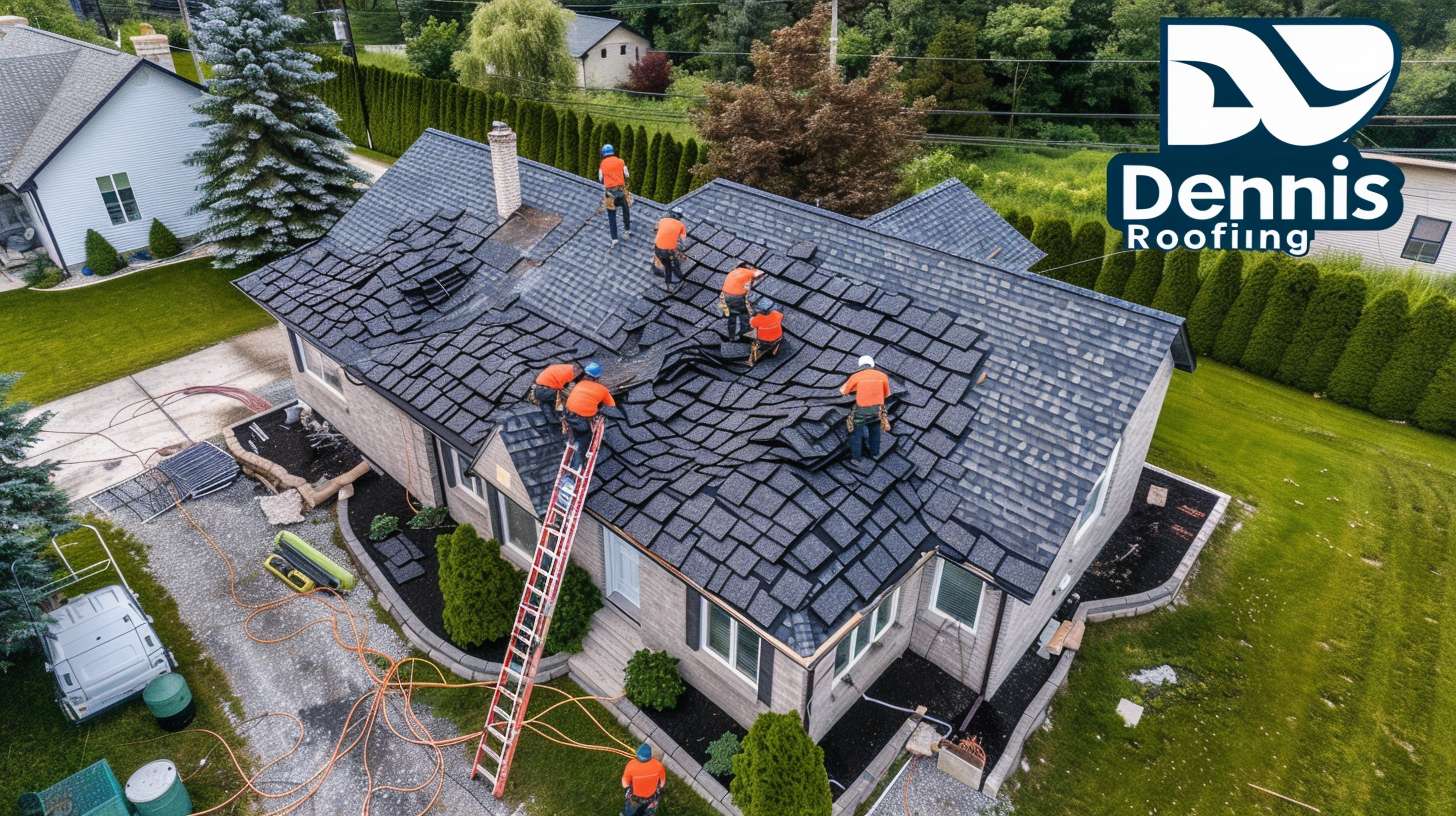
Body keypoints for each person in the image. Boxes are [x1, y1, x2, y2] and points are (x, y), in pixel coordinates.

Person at [561, 361, 615, 499]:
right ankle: (569, 479)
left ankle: (571, 438)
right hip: (580, 421)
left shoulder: (579, 384)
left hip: (567, 414)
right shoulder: (602, 390)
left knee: (577, 433)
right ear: (597, 378)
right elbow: (611, 405)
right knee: (583, 444)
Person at [840, 355, 892, 461]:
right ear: (872, 364)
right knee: (875, 431)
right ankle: (875, 453)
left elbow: (844, 391)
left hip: (861, 411)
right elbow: (886, 394)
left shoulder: (856, 376)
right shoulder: (883, 376)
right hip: (877, 410)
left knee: (856, 434)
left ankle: (856, 457)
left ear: (860, 364)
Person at [621, 742, 667, 816]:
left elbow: (625, 781)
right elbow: (662, 782)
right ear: (650, 757)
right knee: (649, 811)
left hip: (635, 796)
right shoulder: (658, 766)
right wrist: (660, 788)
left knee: (630, 809)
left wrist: (628, 790)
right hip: (652, 796)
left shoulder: (631, 765)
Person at [720, 264, 764, 338]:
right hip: (736, 297)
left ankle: (731, 336)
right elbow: (760, 273)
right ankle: (745, 335)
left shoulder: (735, 271)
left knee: (732, 316)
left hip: (725, 295)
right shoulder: (748, 272)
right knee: (744, 315)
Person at [598, 144, 631, 245]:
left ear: (604, 154)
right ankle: (627, 230)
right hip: (620, 192)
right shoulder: (620, 161)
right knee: (625, 208)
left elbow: (600, 179)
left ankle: (614, 238)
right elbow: (627, 175)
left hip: (610, 194)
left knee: (611, 215)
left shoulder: (602, 164)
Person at [654, 207, 688, 290]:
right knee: (675, 265)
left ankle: (667, 285)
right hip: (668, 252)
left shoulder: (662, 220)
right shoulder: (681, 225)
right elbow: (683, 241)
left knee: (667, 266)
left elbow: (656, 229)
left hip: (657, 249)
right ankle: (681, 280)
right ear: (679, 217)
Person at [748, 296, 784, 365]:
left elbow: (751, 325)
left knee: (750, 333)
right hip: (778, 335)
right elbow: (781, 316)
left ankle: (753, 358)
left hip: (764, 340)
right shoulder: (777, 314)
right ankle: (776, 344)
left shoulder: (756, 319)